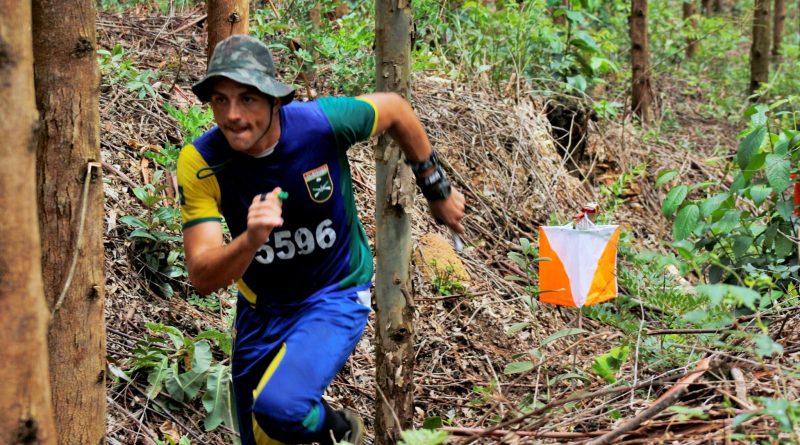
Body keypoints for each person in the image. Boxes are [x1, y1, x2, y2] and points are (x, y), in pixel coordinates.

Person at [177, 35, 466, 445]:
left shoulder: (321, 124)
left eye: (247, 99)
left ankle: (340, 429)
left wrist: (436, 186)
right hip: (262, 310)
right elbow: (203, 276)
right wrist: (250, 239)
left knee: (281, 409)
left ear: (275, 100)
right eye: (220, 100)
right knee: (261, 434)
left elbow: (397, 110)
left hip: (334, 292)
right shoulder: (203, 162)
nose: (232, 115)